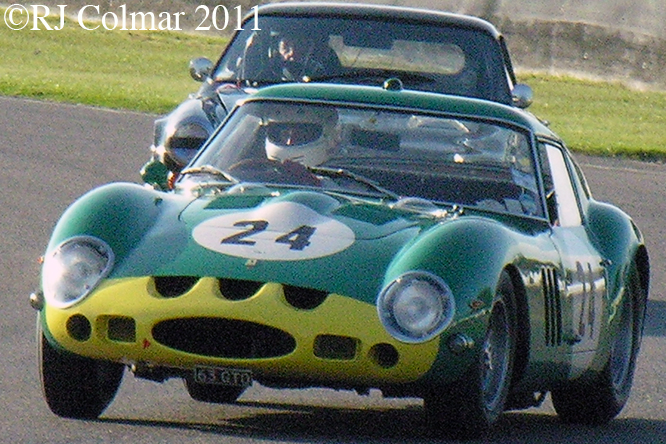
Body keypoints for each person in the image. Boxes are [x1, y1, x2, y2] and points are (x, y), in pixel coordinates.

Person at [264, 105, 340, 167]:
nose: (289, 141)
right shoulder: (257, 178)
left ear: (328, 136)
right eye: (284, 134)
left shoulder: (338, 182)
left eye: (300, 135)